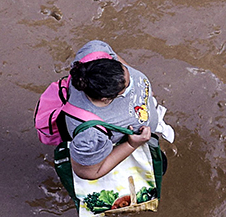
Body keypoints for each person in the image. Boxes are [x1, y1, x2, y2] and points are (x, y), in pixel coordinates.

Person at [59, 41, 168, 180]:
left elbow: (113, 55)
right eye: (127, 87)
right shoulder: (89, 135)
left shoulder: (95, 51)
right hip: (125, 145)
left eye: (125, 70)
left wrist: (144, 93)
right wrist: (131, 144)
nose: (135, 81)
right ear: (105, 99)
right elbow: (88, 173)